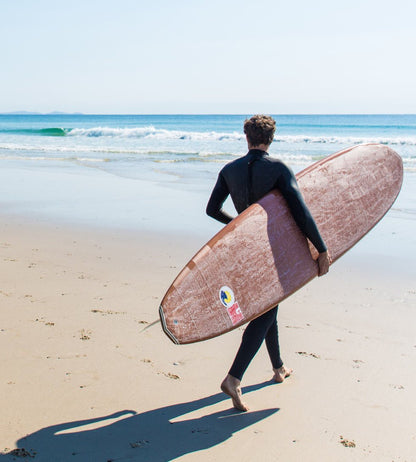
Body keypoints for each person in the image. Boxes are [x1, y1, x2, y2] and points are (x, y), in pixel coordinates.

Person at [206, 114, 331, 411]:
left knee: (269, 305)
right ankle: (234, 378)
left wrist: (239, 224)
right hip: (272, 248)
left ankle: (278, 368)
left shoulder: (229, 170)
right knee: (265, 311)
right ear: (271, 138)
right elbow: (301, 212)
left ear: (246, 137)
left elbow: (212, 209)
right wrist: (322, 249)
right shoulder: (278, 169)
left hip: (245, 249)